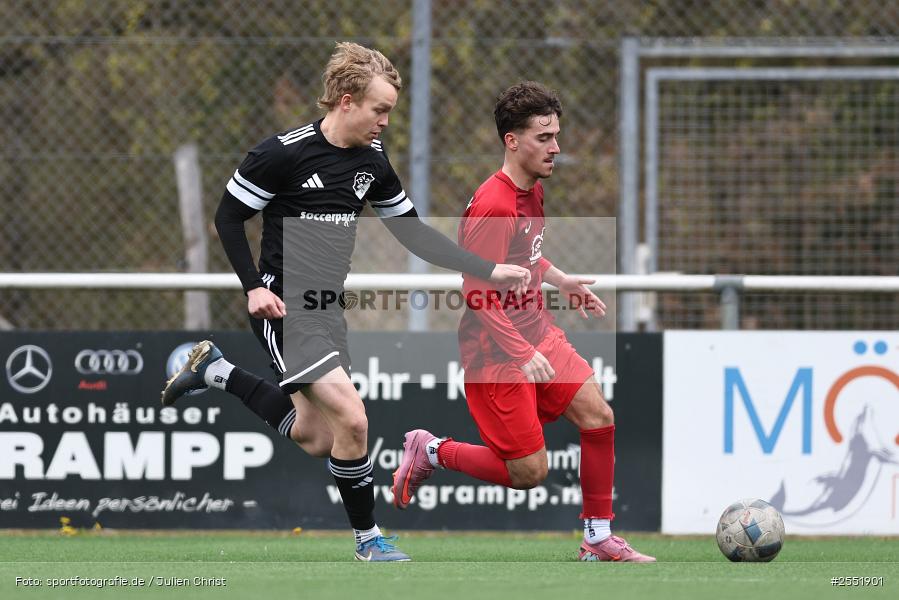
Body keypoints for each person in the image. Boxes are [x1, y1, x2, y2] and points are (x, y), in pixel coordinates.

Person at [160, 42, 529, 562]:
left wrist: (486, 268)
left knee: (315, 436)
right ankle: (368, 540)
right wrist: (254, 287)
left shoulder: (372, 163)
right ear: (347, 100)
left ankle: (215, 372)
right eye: (380, 110)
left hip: (326, 308)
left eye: (391, 113)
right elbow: (227, 218)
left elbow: (413, 234)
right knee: (354, 422)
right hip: (285, 306)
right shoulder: (280, 154)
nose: (385, 122)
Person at [391, 81, 656, 562]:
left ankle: (597, 538)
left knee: (598, 417)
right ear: (512, 141)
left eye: (556, 135)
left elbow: (524, 253)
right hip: (497, 352)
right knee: (528, 472)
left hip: (536, 330)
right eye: (543, 137)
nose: (556, 147)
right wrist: (522, 353)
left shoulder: (529, 190)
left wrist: (559, 279)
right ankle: (431, 450)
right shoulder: (494, 203)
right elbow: (475, 291)